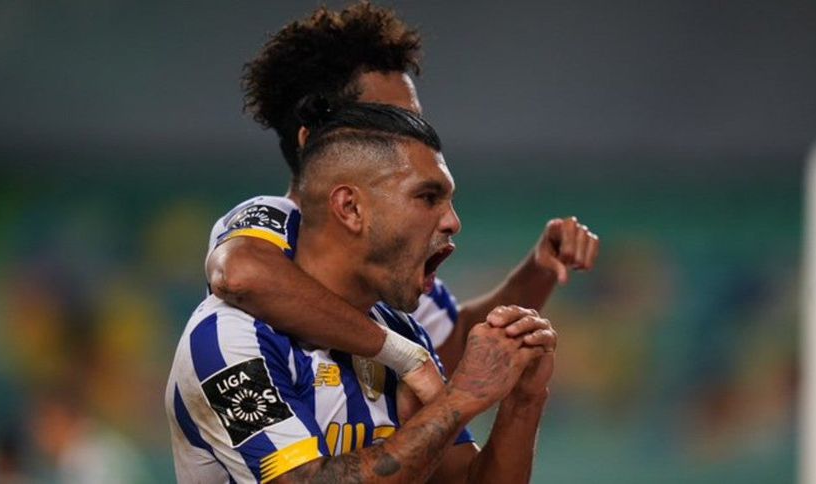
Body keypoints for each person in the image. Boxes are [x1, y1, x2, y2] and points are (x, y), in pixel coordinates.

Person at [206, 1, 598, 401]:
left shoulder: (391, 261)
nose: (412, 136)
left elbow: (450, 348)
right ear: (314, 141)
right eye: (386, 121)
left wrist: (538, 270)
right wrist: (400, 353)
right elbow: (241, 273)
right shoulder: (272, 223)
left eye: (415, 120)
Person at [166, 101, 557, 483]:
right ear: (350, 207)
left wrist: (524, 401)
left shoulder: (402, 333)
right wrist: (460, 397)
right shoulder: (226, 337)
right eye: (428, 197)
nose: (453, 222)